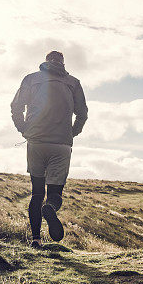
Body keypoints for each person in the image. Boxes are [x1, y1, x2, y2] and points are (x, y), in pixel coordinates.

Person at [11, 51, 88, 248]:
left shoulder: (31, 79)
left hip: (36, 142)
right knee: (55, 192)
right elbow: (83, 113)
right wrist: (72, 133)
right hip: (61, 144)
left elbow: (16, 106)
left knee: (36, 192)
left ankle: (36, 239)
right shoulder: (73, 82)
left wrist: (23, 129)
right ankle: (50, 208)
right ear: (63, 63)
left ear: (45, 62)